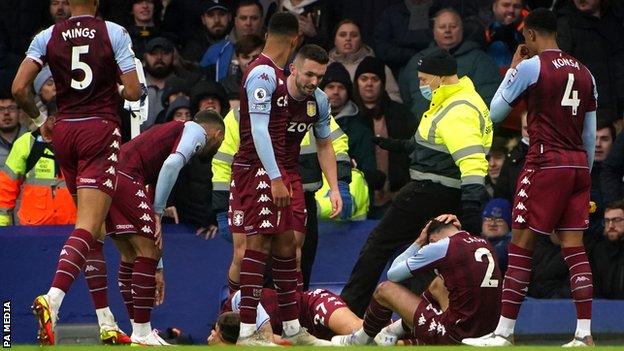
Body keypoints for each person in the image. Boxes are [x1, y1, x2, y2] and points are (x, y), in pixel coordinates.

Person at [462, 8, 598, 347]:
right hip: (579, 165)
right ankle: (584, 334)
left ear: (532, 35)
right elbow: (591, 135)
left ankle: (503, 332)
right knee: (574, 249)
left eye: (526, 39)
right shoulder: (586, 73)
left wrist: (512, 68)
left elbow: (495, 112)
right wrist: (584, 175)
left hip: (544, 161)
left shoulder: (531, 66)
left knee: (521, 244)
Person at [11, 0, 142, 345]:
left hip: (65, 130)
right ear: (97, 2)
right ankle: (52, 300)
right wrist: (125, 87)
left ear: (66, 3)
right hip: (99, 128)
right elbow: (132, 91)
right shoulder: (113, 32)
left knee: (93, 230)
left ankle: (106, 322)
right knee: (87, 225)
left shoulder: (47, 35)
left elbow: (18, 88)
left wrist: (41, 122)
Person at [340, 49, 492, 317]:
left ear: (440, 78)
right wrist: (400, 146)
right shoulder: (457, 99)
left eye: (424, 79)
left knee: (379, 245)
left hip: (430, 191)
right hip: (439, 190)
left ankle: (346, 312)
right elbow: (437, 142)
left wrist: (471, 207)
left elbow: (472, 160)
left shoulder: (458, 110)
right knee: (424, 257)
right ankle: (426, 318)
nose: (421, 85)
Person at [228, 12, 326, 346]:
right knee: (257, 245)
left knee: (286, 246)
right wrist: (275, 176)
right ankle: (246, 331)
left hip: (273, 171)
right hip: (257, 170)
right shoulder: (262, 74)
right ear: (296, 40)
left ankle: (294, 330)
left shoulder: (277, 73)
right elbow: (257, 130)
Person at [106, 110, 224, 346]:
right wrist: (157, 212)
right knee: (146, 252)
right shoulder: (194, 130)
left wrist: (158, 266)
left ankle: (137, 332)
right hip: (126, 176)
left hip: (110, 177)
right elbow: (171, 165)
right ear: (217, 134)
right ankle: (142, 333)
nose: (217, 147)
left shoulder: (169, 136)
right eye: (220, 142)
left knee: (130, 255)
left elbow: (155, 179)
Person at [331, 215, 502, 346]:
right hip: (486, 333)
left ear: (432, 240)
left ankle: (361, 340)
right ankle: (391, 332)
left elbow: (393, 274)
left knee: (385, 290)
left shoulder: (440, 246)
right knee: (438, 284)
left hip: (456, 336)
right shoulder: (483, 243)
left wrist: (420, 242)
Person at [399, 8, 501, 122]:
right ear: (434, 32)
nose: (447, 30)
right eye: (442, 27)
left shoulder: (481, 61)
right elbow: (407, 101)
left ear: (462, 30)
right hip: (423, 132)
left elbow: (489, 102)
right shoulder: (417, 62)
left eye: (453, 26)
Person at [352, 56, 417, 218]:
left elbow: (416, 151)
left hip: (399, 198)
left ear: (382, 83)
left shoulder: (402, 114)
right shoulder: (349, 117)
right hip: (360, 200)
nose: (369, 83)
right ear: (356, 83)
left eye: (375, 79)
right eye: (364, 78)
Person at [0, 100, 75, 226]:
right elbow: (6, 186)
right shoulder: (26, 143)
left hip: (72, 226)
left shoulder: (78, 144)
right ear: (50, 120)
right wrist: (2, 225)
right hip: (33, 228)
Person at [212, 287, 363, 345]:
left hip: (311, 305)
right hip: (311, 340)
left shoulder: (238, 301)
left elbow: (270, 338)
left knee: (358, 331)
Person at [329, 19, 402, 103]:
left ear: (361, 40)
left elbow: (395, 98)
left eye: (354, 35)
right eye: (343, 35)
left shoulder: (377, 67)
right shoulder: (322, 67)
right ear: (335, 40)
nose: (348, 38)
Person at [591, 201, 624, 299]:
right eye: (606, 221)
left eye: (616, 220)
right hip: (604, 309)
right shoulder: (598, 251)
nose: (610, 226)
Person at [481, 198, 512, 273]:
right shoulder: (475, 241)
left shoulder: (510, 246)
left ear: (509, 225)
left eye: (499, 220)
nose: (492, 224)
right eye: (488, 219)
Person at [0, 94, 28, 166]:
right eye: (1, 109)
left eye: (11, 108)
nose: (6, 113)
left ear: (19, 111)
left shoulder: (32, 140)